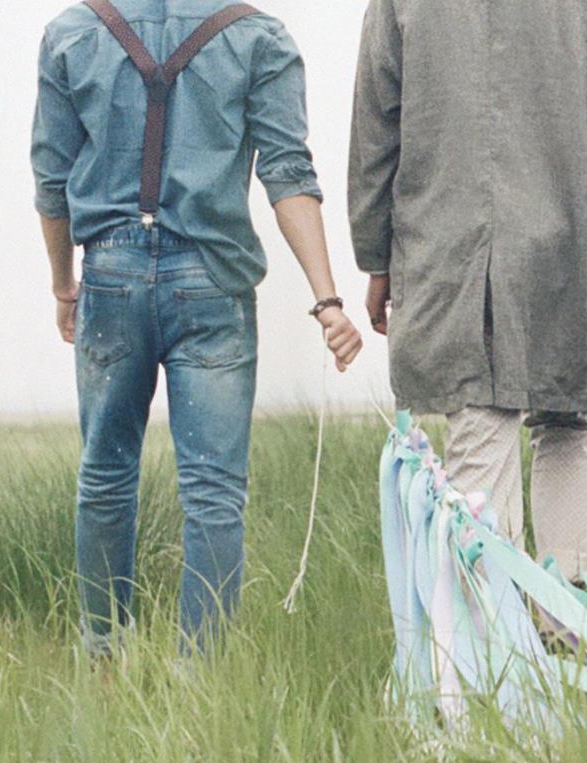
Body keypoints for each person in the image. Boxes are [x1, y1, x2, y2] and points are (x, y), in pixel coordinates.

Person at [33, 0, 363, 657]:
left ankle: (103, 660)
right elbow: (288, 174)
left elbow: (51, 177)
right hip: (214, 283)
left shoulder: (72, 33)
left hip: (111, 275)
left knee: (104, 478)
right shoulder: (259, 38)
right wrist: (327, 301)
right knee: (214, 493)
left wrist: (63, 281)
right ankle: (201, 678)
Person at [349, 0, 587, 586]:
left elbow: (375, 126)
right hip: (566, 239)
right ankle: (563, 613)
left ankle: (500, 625)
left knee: (480, 420)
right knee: (569, 417)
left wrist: (375, 255)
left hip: (449, 249)